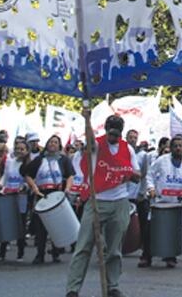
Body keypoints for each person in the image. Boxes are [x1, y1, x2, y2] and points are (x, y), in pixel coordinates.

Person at [65, 115, 141, 297]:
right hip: (97, 201)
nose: (113, 137)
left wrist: (129, 175)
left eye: (117, 134)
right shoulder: (97, 146)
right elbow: (90, 141)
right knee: (84, 246)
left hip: (120, 201)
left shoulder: (127, 148)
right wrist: (87, 119)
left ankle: (112, 286)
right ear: (106, 130)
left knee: (114, 249)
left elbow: (137, 173)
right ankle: (73, 289)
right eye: (111, 133)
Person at [145, 134, 182, 267]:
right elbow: (150, 175)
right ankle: (149, 255)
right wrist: (151, 188)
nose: (178, 148)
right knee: (155, 227)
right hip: (162, 200)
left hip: (181, 201)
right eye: (175, 146)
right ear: (171, 147)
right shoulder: (161, 160)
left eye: (180, 146)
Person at [23, 134, 73, 264]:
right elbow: (27, 174)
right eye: (50, 142)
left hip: (58, 193)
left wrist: (67, 188)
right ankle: (40, 253)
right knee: (41, 226)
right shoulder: (40, 159)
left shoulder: (64, 160)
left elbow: (70, 176)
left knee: (58, 225)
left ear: (59, 145)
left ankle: (56, 252)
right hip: (43, 194)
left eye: (55, 142)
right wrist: (34, 188)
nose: (52, 144)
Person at [0, 137, 31, 260]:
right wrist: (0, 184)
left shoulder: (28, 164)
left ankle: (20, 252)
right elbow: (5, 176)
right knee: (6, 223)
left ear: (27, 151)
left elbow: (30, 181)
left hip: (21, 197)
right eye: (17, 149)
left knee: (20, 224)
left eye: (22, 149)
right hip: (8, 195)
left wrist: (24, 187)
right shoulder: (10, 161)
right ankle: (2, 251)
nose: (19, 151)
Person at [125, 129, 153, 266]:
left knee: (144, 224)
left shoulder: (143, 155)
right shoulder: (122, 152)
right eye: (130, 137)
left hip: (138, 195)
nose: (132, 139)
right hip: (123, 194)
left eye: (134, 137)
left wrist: (142, 192)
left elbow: (145, 174)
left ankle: (146, 252)